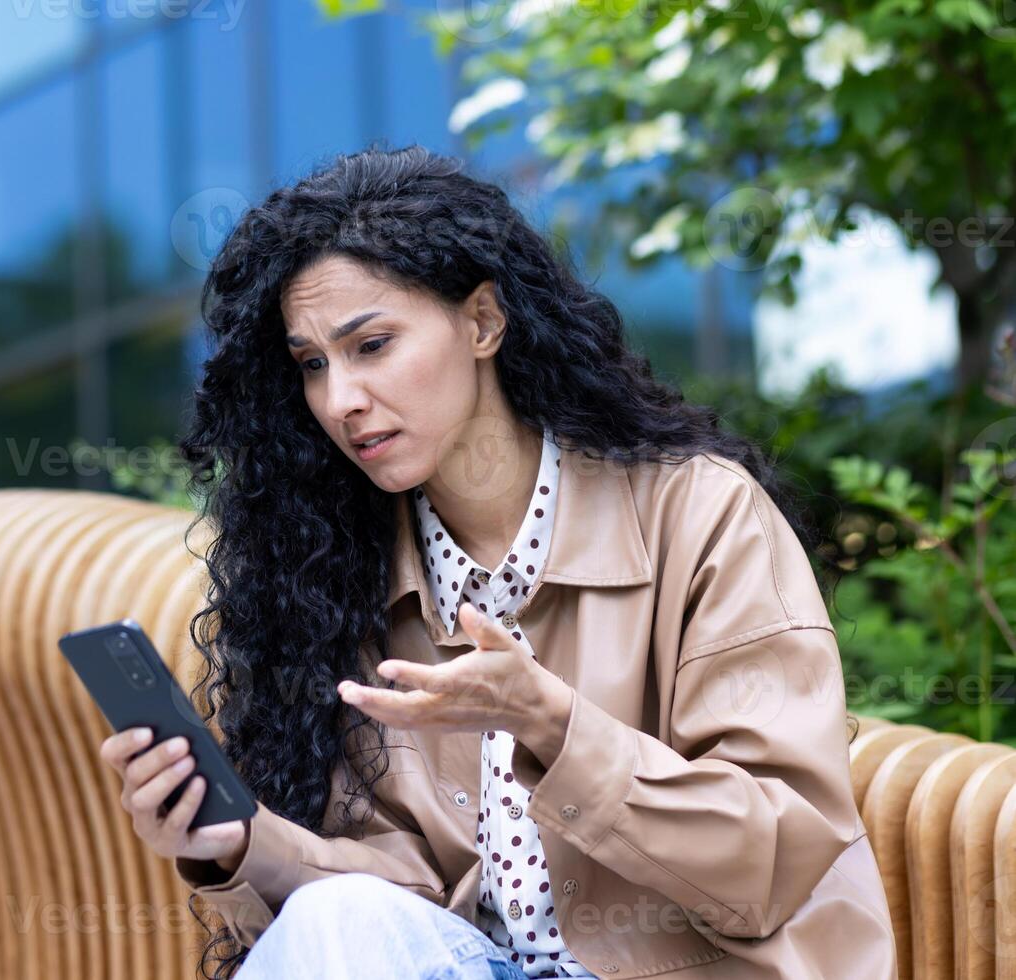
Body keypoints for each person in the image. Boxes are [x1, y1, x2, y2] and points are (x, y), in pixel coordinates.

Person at [97, 145, 897, 979]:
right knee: (338, 915)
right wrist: (242, 840)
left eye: (371, 345)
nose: (341, 400)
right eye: (312, 365)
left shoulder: (700, 513)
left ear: (482, 322)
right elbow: (405, 904)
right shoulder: (346, 574)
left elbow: (771, 859)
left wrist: (552, 724)